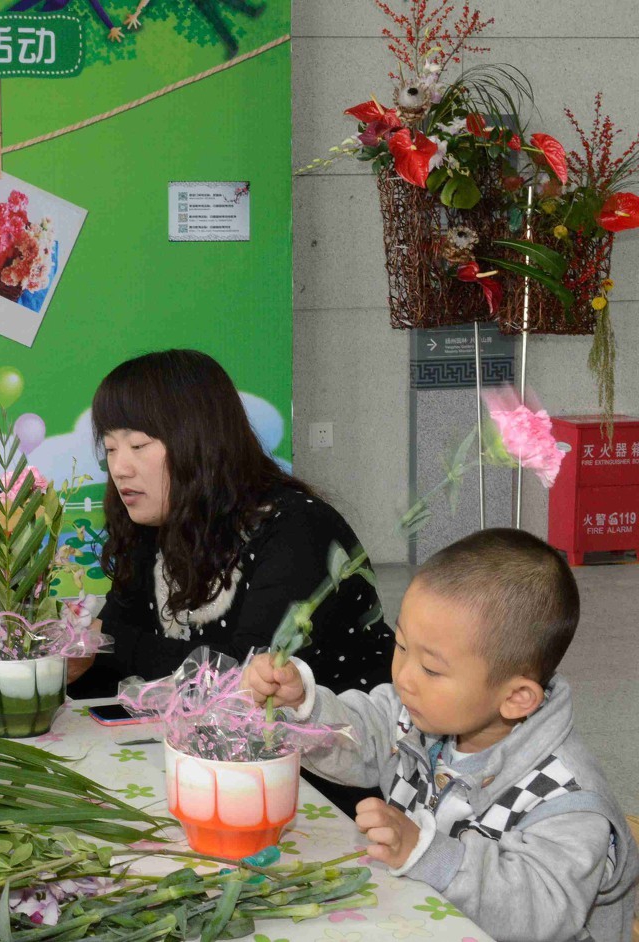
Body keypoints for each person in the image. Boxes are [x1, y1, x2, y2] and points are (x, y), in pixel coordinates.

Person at [245, 529, 639, 942]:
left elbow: (539, 910)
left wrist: (428, 852)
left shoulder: (566, 800)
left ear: (516, 698)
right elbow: (362, 733)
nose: (404, 677)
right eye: (401, 646)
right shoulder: (422, 714)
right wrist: (303, 705)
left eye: (432, 669)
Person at [67, 349, 394, 813]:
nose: (119, 467)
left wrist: (112, 642)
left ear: (200, 441)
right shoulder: (155, 524)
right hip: (220, 768)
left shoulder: (297, 530)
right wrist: (67, 661)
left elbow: (248, 682)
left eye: (138, 445)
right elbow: (119, 651)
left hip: (334, 787)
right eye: (110, 447)